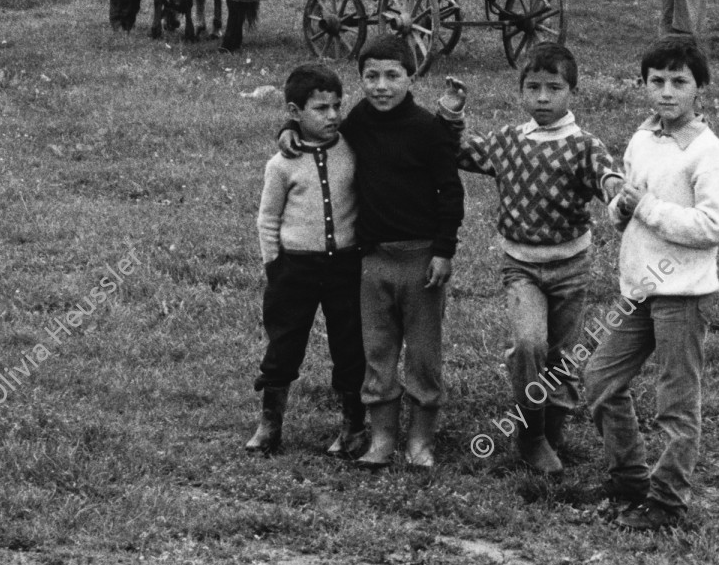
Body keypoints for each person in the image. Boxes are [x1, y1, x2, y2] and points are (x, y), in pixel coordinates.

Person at [437, 45, 624, 475]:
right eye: (533, 87)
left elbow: (605, 174)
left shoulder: (583, 145)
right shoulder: (508, 141)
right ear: (521, 92)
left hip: (571, 268)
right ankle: (532, 436)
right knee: (529, 345)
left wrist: (615, 187)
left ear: (572, 92)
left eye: (554, 88)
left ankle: (552, 427)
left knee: (562, 357)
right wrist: (450, 113)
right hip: (520, 266)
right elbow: (462, 152)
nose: (543, 97)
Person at [583, 35, 719, 532]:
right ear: (644, 84)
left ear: (699, 88)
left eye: (679, 82)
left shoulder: (708, 152)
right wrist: (619, 207)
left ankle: (668, 500)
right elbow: (625, 208)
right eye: (657, 81)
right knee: (600, 381)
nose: (667, 92)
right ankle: (629, 478)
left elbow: (715, 227)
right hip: (637, 292)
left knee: (675, 401)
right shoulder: (642, 137)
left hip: (683, 295)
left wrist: (646, 207)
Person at [342, 35, 465, 471]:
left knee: (424, 356)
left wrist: (443, 251)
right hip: (374, 260)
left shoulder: (426, 130)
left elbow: (451, 192)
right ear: (359, 80)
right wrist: (287, 132)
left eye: (392, 76)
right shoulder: (357, 121)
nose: (381, 86)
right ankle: (382, 438)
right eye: (371, 76)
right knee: (378, 352)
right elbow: (323, 140)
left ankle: (420, 441)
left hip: (421, 262)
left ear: (411, 78)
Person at [247, 62, 368, 459]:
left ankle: (353, 427)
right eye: (320, 108)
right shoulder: (281, 164)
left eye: (337, 106)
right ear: (295, 113)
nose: (332, 115)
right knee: (284, 342)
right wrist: (274, 266)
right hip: (295, 269)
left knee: (350, 344)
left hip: (345, 267)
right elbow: (267, 219)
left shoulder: (352, 147)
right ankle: (270, 424)